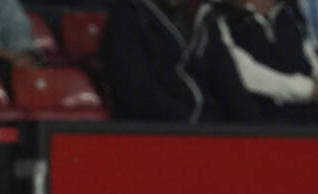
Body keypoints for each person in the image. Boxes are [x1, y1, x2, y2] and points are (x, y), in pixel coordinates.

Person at [190, 0, 318, 123]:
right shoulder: (217, 16)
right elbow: (241, 72)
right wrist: (307, 90)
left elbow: (310, 55)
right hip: (257, 127)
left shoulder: (289, 12)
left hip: (307, 123)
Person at [101, 0, 220, 122]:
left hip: (206, 126)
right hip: (153, 129)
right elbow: (135, 89)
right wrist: (187, 117)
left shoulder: (196, 17)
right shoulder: (129, 15)